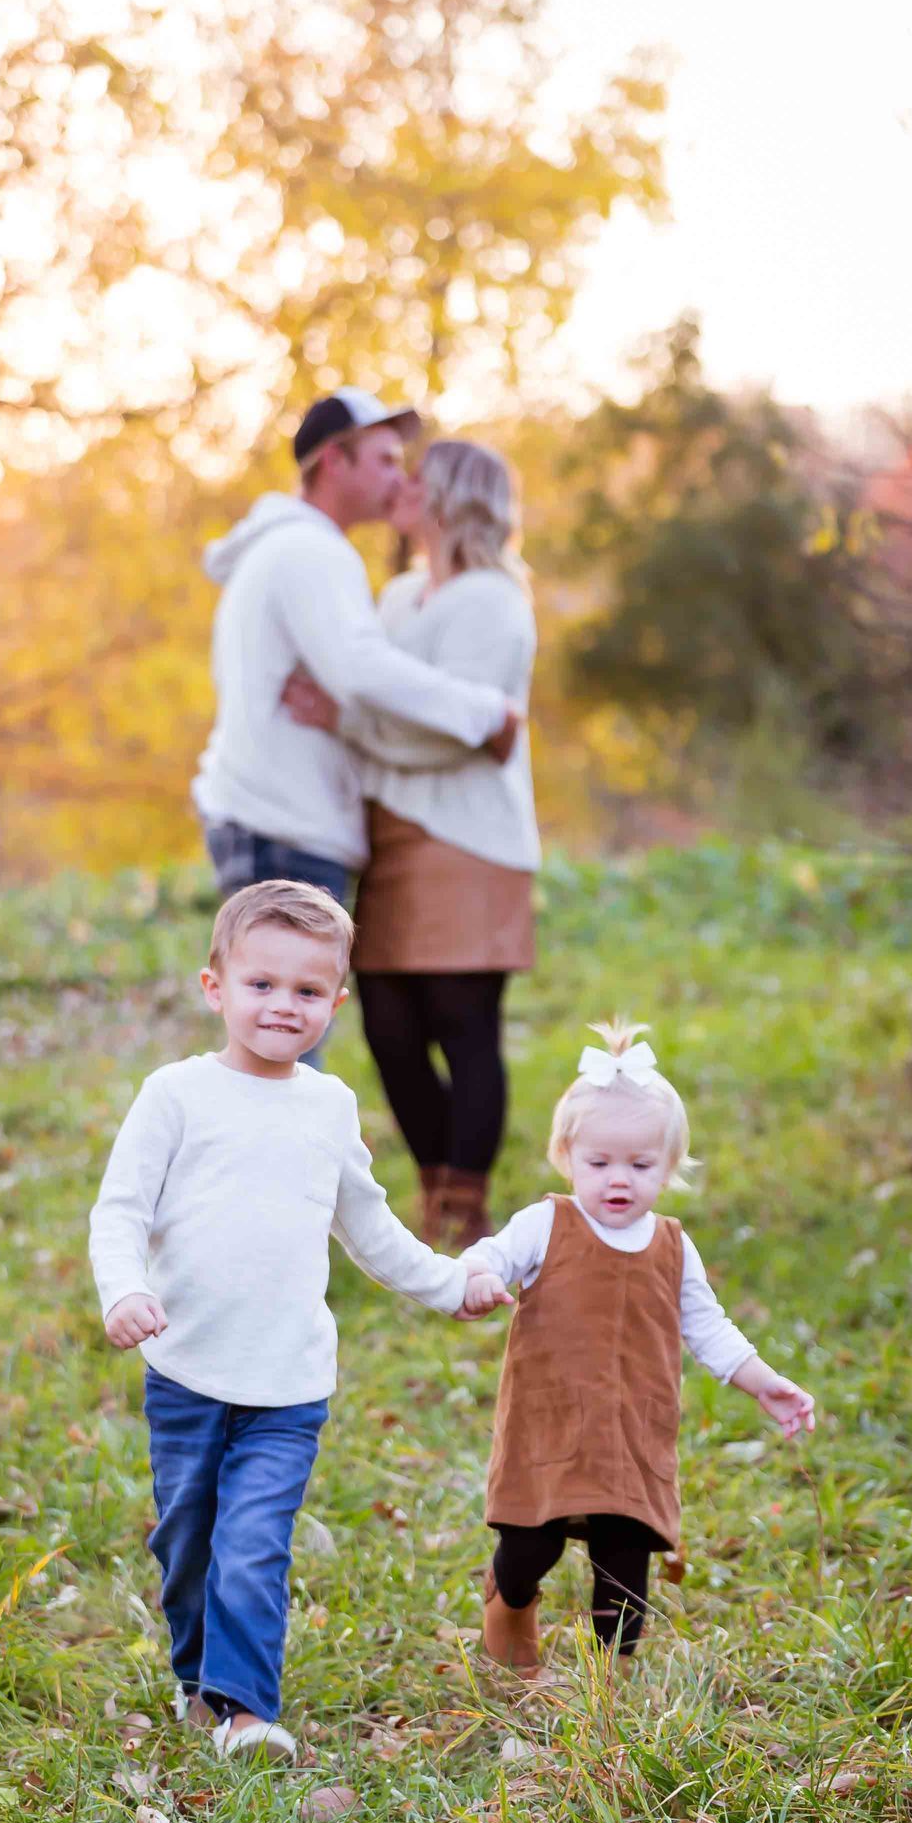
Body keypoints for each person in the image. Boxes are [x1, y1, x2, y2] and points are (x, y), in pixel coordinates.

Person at [88, 879, 510, 1758]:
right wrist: (123, 1289)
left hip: (287, 1383)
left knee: (252, 1546)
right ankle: (198, 1676)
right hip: (189, 1371)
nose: (284, 1005)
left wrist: (450, 1283)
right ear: (216, 988)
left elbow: (369, 1227)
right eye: (262, 985)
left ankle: (246, 1712)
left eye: (308, 991)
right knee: (190, 1546)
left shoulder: (327, 1107)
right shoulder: (176, 1097)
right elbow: (120, 1211)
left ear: (337, 1004)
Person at [461, 1019, 815, 1680]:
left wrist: (764, 1380)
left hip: (633, 1429)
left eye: (640, 1165)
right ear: (568, 1158)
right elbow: (492, 1255)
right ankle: (508, 1601)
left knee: (626, 1557)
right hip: (551, 1418)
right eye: (599, 1163)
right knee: (529, 1542)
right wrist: (479, 1277)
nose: (618, 1179)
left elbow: (709, 1328)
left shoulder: (673, 1246)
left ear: (669, 1168)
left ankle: (611, 1680)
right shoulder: (549, 1223)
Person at [281, 438, 539, 1249]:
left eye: (416, 478)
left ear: (454, 496)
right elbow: (405, 715)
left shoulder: (495, 602)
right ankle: (436, 1190)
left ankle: (461, 1213)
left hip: (469, 836)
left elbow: (458, 736)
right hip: (390, 836)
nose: (400, 487)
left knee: (464, 1026)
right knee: (389, 1028)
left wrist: (352, 725)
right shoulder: (396, 598)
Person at [191, 390, 522, 925]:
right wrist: (486, 712)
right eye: (385, 460)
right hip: (284, 827)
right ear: (333, 461)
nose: (401, 478)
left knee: (272, 1005)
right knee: (288, 1008)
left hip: (268, 821)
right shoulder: (312, 550)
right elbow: (360, 667)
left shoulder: (284, 548)